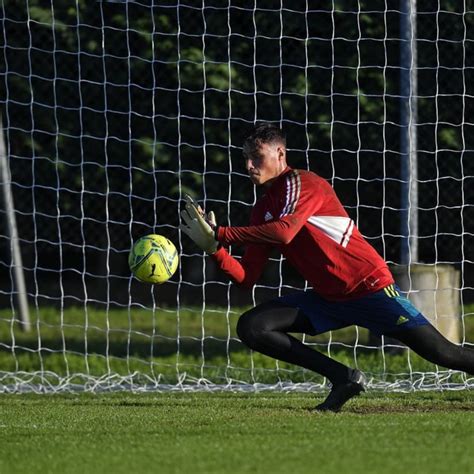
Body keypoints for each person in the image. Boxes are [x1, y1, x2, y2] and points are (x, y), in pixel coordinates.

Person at [180, 123, 474, 412]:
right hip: (329, 299)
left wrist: (221, 233)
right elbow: (246, 277)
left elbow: (285, 231)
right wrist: (214, 249)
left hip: (370, 288)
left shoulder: (304, 183)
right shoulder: (262, 208)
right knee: (253, 327)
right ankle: (343, 378)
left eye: (257, 157)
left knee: (444, 354)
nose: (248, 165)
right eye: (245, 158)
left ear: (280, 154)